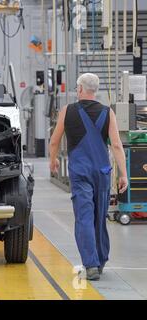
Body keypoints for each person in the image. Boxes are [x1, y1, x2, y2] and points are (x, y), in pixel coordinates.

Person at [49, 73, 128, 281]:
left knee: (84, 217)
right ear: (96, 90)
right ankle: (100, 261)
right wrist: (123, 174)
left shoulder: (68, 111)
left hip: (81, 173)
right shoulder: (107, 113)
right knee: (99, 217)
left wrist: (53, 160)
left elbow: (54, 140)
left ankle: (91, 265)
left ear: (80, 89)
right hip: (102, 173)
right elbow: (117, 145)